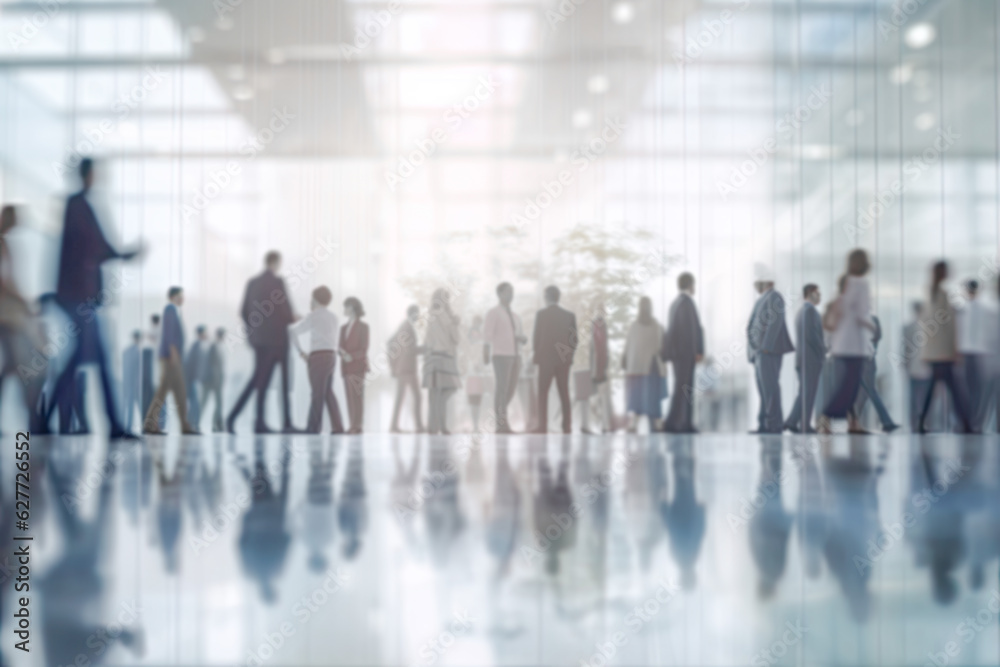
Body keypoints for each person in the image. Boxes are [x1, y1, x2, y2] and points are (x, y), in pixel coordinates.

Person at [42, 158, 142, 438]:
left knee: (82, 359)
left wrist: (122, 254)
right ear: (88, 175)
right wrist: (124, 255)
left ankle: (46, 420)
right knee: (97, 359)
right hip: (79, 298)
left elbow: (97, 248)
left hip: (82, 299)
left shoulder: (80, 207)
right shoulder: (78, 206)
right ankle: (113, 426)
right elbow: (96, 248)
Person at [227, 251, 297, 434]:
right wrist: (293, 318)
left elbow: (243, 312)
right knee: (283, 382)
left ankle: (251, 420)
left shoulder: (252, 283)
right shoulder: (278, 282)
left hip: (260, 341)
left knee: (259, 382)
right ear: (277, 262)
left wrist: (252, 336)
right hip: (279, 340)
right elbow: (286, 311)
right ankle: (286, 423)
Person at [820, 250, 876, 433]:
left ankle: (851, 423)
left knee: (849, 385)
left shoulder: (848, 284)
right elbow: (861, 313)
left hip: (841, 344)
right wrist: (871, 326)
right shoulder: (861, 283)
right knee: (849, 386)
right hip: (853, 345)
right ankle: (827, 416)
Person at [0, 205, 44, 431]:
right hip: (6, 317)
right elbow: (4, 283)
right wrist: (24, 301)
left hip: (10, 316)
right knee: (17, 366)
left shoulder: (5, 243)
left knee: (10, 367)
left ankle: (32, 418)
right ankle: (32, 419)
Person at [917, 261, 973, 433]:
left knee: (937, 388)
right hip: (943, 352)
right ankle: (965, 424)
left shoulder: (932, 293)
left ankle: (922, 423)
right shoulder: (941, 294)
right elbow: (948, 328)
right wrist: (954, 350)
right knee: (954, 390)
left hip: (935, 352)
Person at [142, 287, 198, 435]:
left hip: (171, 357)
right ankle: (150, 424)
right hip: (170, 358)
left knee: (177, 391)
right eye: (181, 296)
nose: (183, 299)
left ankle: (183, 425)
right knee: (166, 392)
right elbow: (170, 333)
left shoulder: (172, 310)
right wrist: (173, 354)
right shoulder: (170, 309)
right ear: (174, 296)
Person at [290, 286, 345, 435]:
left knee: (317, 394)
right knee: (327, 392)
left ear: (314, 299)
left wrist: (301, 352)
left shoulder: (313, 316)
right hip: (331, 357)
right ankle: (338, 427)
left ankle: (313, 428)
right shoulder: (334, 317)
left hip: (317, 358)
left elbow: (293, 331)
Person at [746, 265, 794, 434]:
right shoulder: (762, 299)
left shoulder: (775, 297)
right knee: (764, 391)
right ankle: (764, 425)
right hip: (758, 354)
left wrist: (765, 348)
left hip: (768, 352)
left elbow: (775, 324)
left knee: (770, 389)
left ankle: (774, 425)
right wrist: (753, 353)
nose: (754, 284)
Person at [531, 285, 577, 434]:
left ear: (546, 297)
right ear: (558, 297)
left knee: (542, 392)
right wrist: (568, 356)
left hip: (545, 360)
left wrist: (536, 357)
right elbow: (574, 339)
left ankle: (542, 426)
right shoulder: (569, 315)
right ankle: (567, 427)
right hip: (563, 360)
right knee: (564, 392)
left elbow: (536, 338)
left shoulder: (541, 314)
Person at [662, 273, 704, 433]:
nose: (695, 288)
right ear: (689, 285)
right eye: (694, 284)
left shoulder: (676, 303)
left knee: (683, 388)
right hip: (685, 354)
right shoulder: (686, 303)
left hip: (680, 355)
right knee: (684, 389)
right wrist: (697, 351)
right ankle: (677, 424)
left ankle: (681, 423)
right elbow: (693, 331)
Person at [483, 282, 526, 434]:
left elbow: (515, 334)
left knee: (511, 389)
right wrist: (485, 352)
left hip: (516, 355)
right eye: (508, 291)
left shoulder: (515, 316)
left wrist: (521, 339)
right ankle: (501, 425)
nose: (511, 294)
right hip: (501, 355)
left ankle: (499, 418)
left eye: (512, 291)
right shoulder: (493, 313)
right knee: (501, 389)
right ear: (500, 294)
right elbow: (487, 334)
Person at [784, 284, 824, 433]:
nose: (820, 296)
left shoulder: (802, 311)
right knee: (808, 393)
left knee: (804, 393)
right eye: (817, 293)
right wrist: (823, 349)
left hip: (804, 359)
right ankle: (804, 425)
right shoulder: (810, 311)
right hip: (810, 360)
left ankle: (792, 421)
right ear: (810, 293)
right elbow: (812, 336)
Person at [623, 296, 666, 433]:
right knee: (637, 397)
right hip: (638, 369)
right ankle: (636, 423)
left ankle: (656, 422)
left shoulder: (656, 326)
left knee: (652, 398)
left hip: (650, 368)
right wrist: (625, 359)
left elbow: (661, 346)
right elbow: (629, 346)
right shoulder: (635, 326)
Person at [422, 289, 461, 435]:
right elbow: (456, 339)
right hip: (445, 357)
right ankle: (441, 426)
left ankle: (434, 427)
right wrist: (455, 323)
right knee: (443, 393)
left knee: (434, 395)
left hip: (433, 357)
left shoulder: (431, 315)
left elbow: (428, 339)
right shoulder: (447, 317)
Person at [851, 315, 899, 434]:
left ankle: (853, 422)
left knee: (863, 393)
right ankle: (886, 422)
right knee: (870, 391)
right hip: (865, 360)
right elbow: (877, 336)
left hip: (865, 360)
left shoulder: (865, 320)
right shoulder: (866, 320)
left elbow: (876, 336)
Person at [957, 279, 994, 432]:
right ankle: (974, 422)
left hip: (972, 353)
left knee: (972, 389)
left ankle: (973, 422)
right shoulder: (981, 308)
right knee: (974, 389)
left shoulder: (964, 309)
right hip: (976, 352)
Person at [389, 305, 423, 433]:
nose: (418, 316)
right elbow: (410, 349)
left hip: (403, 368)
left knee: (401, 397)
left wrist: (394, 365)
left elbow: (391, 342)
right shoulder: (407, 327)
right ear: (412, 314)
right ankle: (418, 426)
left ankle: (394, 425)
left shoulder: (404, 326)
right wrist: (426, 349)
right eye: (417, 314)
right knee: (417, 397)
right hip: (407, 369)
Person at [581, 301, 613, 434]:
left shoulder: (599, 324)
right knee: (594, 396)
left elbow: (601, 348)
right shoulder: (598, 324)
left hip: (597, 367)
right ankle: (597, 425)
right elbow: (599, 348)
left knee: (598, 396)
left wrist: (600, 369)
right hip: (595, 367)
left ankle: (600, 425)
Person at [339, 296, 369, 434]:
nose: (344, 310)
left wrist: (351, 356)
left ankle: (357, 426)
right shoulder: (343, 328)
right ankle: (353, 425)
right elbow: (340, 346)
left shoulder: (364, 327)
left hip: (357, 366)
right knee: (349, 398)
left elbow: (364, 349)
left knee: (357, 397)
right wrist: (342, 353)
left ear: (351, 307)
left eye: (345, 306)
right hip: (346, 367)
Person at [901, 302, 933, 432]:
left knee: (919, 398)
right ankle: (917, 424)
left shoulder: (927, 327)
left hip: (923, 368)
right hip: (917, 368)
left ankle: (919, 424)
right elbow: (905, 349)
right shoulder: (910, 327)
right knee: (919, 398)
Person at [184, 325, 209, 430]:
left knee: (195, 404)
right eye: (205, 332)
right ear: (201, 333)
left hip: (197, 379)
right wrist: (191, 379)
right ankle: (192, 424)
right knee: (195, 404)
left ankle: (192, 424)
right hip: (193, 380)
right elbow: (189, 363)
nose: (206, 335)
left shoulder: (200, 346)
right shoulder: (196, 346)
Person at [202, 328, 227, 433]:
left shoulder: (220, 347)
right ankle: (194, 422)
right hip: (211, 380)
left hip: (218, 380)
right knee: (204, 402)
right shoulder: (214, 346)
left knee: (219, 403)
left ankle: (218, 424)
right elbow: (210, 364)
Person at [142, 313, 163, 429]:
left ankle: (154, 424)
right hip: (156, 371)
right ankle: (154, 424)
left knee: (155, 398)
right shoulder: (159, 334)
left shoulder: (158, 333)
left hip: (156, 370)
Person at [121, 330, 142, 433]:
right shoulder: (138, 352)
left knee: (128, 406)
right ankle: (130, 427)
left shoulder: (126, 351)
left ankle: (128, 427)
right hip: (134, 384)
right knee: (136, 406)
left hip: (128, 383)